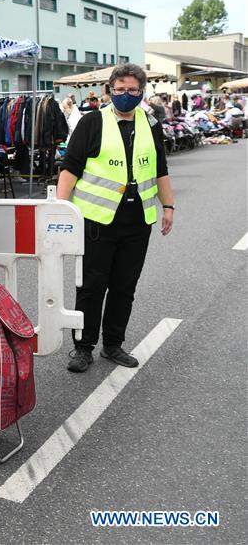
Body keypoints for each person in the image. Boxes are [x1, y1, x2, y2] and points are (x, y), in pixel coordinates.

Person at [57, 63, 175, 373]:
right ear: (110, 91)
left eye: (132, 90)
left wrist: (169, 206)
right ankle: (83, 348)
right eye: (119, 89)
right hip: (97, 221)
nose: (125, 95)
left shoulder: (150, 124)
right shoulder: (92, 122)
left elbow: (161, 169)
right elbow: (70, 169)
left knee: (124, 286)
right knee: (92, 286)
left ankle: (113, 344)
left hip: (137, 220)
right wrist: (60, 210)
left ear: (141, 92)